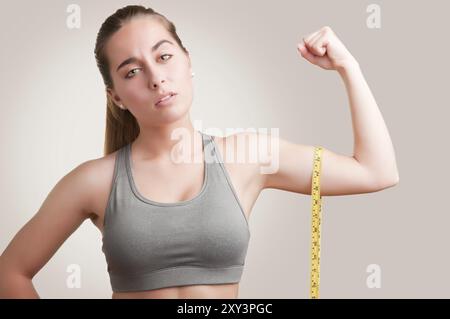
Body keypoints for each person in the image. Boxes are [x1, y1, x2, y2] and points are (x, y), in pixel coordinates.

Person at [0, 5, 399, 299]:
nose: (156, 78)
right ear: (116, 96)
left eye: (164, 56)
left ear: (189, 62)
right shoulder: (94, 181)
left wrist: (349, 67)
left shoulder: (247, 156)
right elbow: (11, 272)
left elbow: (375, 171)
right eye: (132, 70)